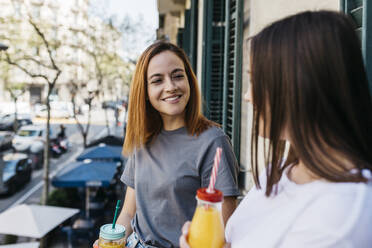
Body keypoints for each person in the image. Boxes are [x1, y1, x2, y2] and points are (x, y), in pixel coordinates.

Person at [180, 10, 372, 248]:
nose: (248, 96)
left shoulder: (339, 217)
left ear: (300, 87)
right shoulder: (281, 170)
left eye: (257, 81)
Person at [94, 41, 239, 248]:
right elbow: (128, 212)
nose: (171, 87)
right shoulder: (142, 139)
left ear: (189, 80)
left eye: (178, 75)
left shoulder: (213, 142)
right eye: (157, 80)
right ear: (144, 91)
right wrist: (113, 240)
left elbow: (224, 231)